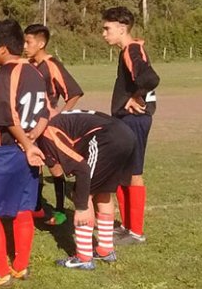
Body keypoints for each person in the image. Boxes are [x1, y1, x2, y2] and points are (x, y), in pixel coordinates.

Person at [0, 19, 48, 289]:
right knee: (23, 209)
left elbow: (7, 115)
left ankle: (0, 271)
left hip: (7, 151)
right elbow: (45, 112)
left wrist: (26, 145)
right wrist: (33, 142)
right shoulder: (37, 73)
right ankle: (20, 266)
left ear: (2, 49)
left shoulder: (4, 73)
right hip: (30, 151)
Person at [36, 110, 136, 269]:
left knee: (83, 192)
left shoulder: (49, 130)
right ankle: (105, 249)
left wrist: (81, 206)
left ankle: (83, 257)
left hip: (108, 137)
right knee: (103, 192)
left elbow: (81, 168)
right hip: (127, 135)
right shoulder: (65, 119)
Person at [102, 7, 160, 244]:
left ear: (121, 28)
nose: (104, 33)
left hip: (134, 119)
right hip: (125, 119)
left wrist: (137, 96)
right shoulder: (130, 49)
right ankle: (126, 226)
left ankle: (135, 232)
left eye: (107, 28)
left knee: (134, 173)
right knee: (123, 173)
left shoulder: (131, 49)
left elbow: (150, 78)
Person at [23, 24, 84, 226]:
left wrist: (59, 114)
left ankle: (60, 211)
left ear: (41, 44)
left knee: (54, 166)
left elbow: (74, 92)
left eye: (28, 42)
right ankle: (37, 208)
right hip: (32, 125)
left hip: (48, 125)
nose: (25, 46)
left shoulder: (52, 65)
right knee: (35, 165)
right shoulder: (30, 64)